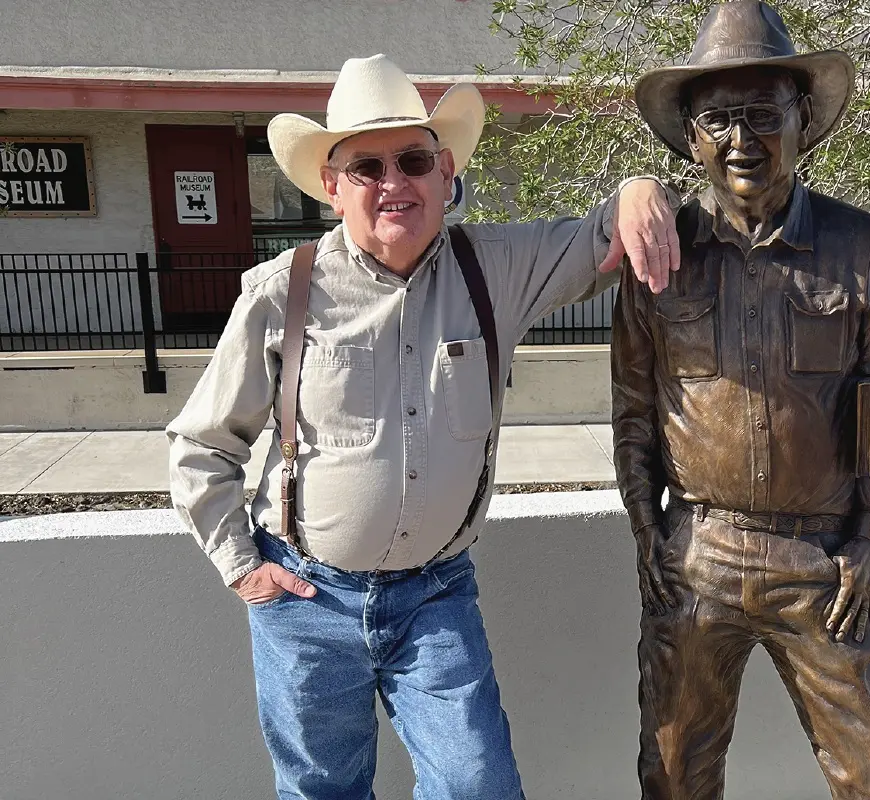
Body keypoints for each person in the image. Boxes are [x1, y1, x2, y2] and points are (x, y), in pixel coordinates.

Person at [167, 53, 678, 800]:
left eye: (412, 160)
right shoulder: (282, 293)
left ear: (444, 173)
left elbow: (607, 233)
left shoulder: (495, 269)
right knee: (321, 792)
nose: (393, 182)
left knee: (478, 786)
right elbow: (201, 444)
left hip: (436, 598)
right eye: (366, 167)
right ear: (332, 187)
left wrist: (640, 189)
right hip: (306, 602)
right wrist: (242, 565)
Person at [611, 2, 870, 798]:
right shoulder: (663, 254)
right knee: (674, 775)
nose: (741, 139)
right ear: (691, 138)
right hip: (698, 552)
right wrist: (648, 531)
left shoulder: (863, 246)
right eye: (717, 119)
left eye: (762, 114)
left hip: (822, 560)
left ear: (802, 121)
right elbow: (635, 406)